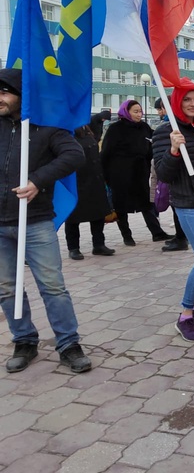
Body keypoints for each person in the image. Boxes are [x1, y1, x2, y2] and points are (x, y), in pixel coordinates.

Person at [0, 68, 92, 373]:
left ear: (21, 95)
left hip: (36, 222)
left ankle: (69, 343)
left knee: (53, 287)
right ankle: (23, 340)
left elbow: (74, 156)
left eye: (4, 92)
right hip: (1, 226)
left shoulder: (48, 128)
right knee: (7, 288)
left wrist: (38, 180)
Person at [152, 80, 194, 342]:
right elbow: (165, 174)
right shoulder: (165, 131)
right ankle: (185, 315)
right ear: (177, 103)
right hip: (188, 203)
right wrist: (173, 149)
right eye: (187, 100)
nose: (193, 104)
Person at [101, 100, 172, 246]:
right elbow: (106, 152)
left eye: (140, 111)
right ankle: (127, 236)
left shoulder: (144, 127)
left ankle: (157, 233)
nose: (139, 114)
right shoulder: (115, 128)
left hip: (140, 172)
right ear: (126, 112)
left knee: (146, 203)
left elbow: (153, 144)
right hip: (119, 173)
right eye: (135, 111)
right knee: (120, 205)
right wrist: (104, 174)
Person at [65, 126, 115, 260]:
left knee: (98, 215)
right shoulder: (67, 132)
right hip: (76, 181)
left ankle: (98, 245)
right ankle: (73, 248)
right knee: (73, 218)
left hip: (94, 180)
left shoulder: (87, 130)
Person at [154, 97, 188, 252]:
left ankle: (181, 237)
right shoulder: (165, 128)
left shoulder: (190, 127)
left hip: (185, 182)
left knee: (177, 207)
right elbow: (163, 168)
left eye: (163, 107)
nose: (162, 111)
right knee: (174, 206)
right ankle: (180, 237)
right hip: (173, 175)